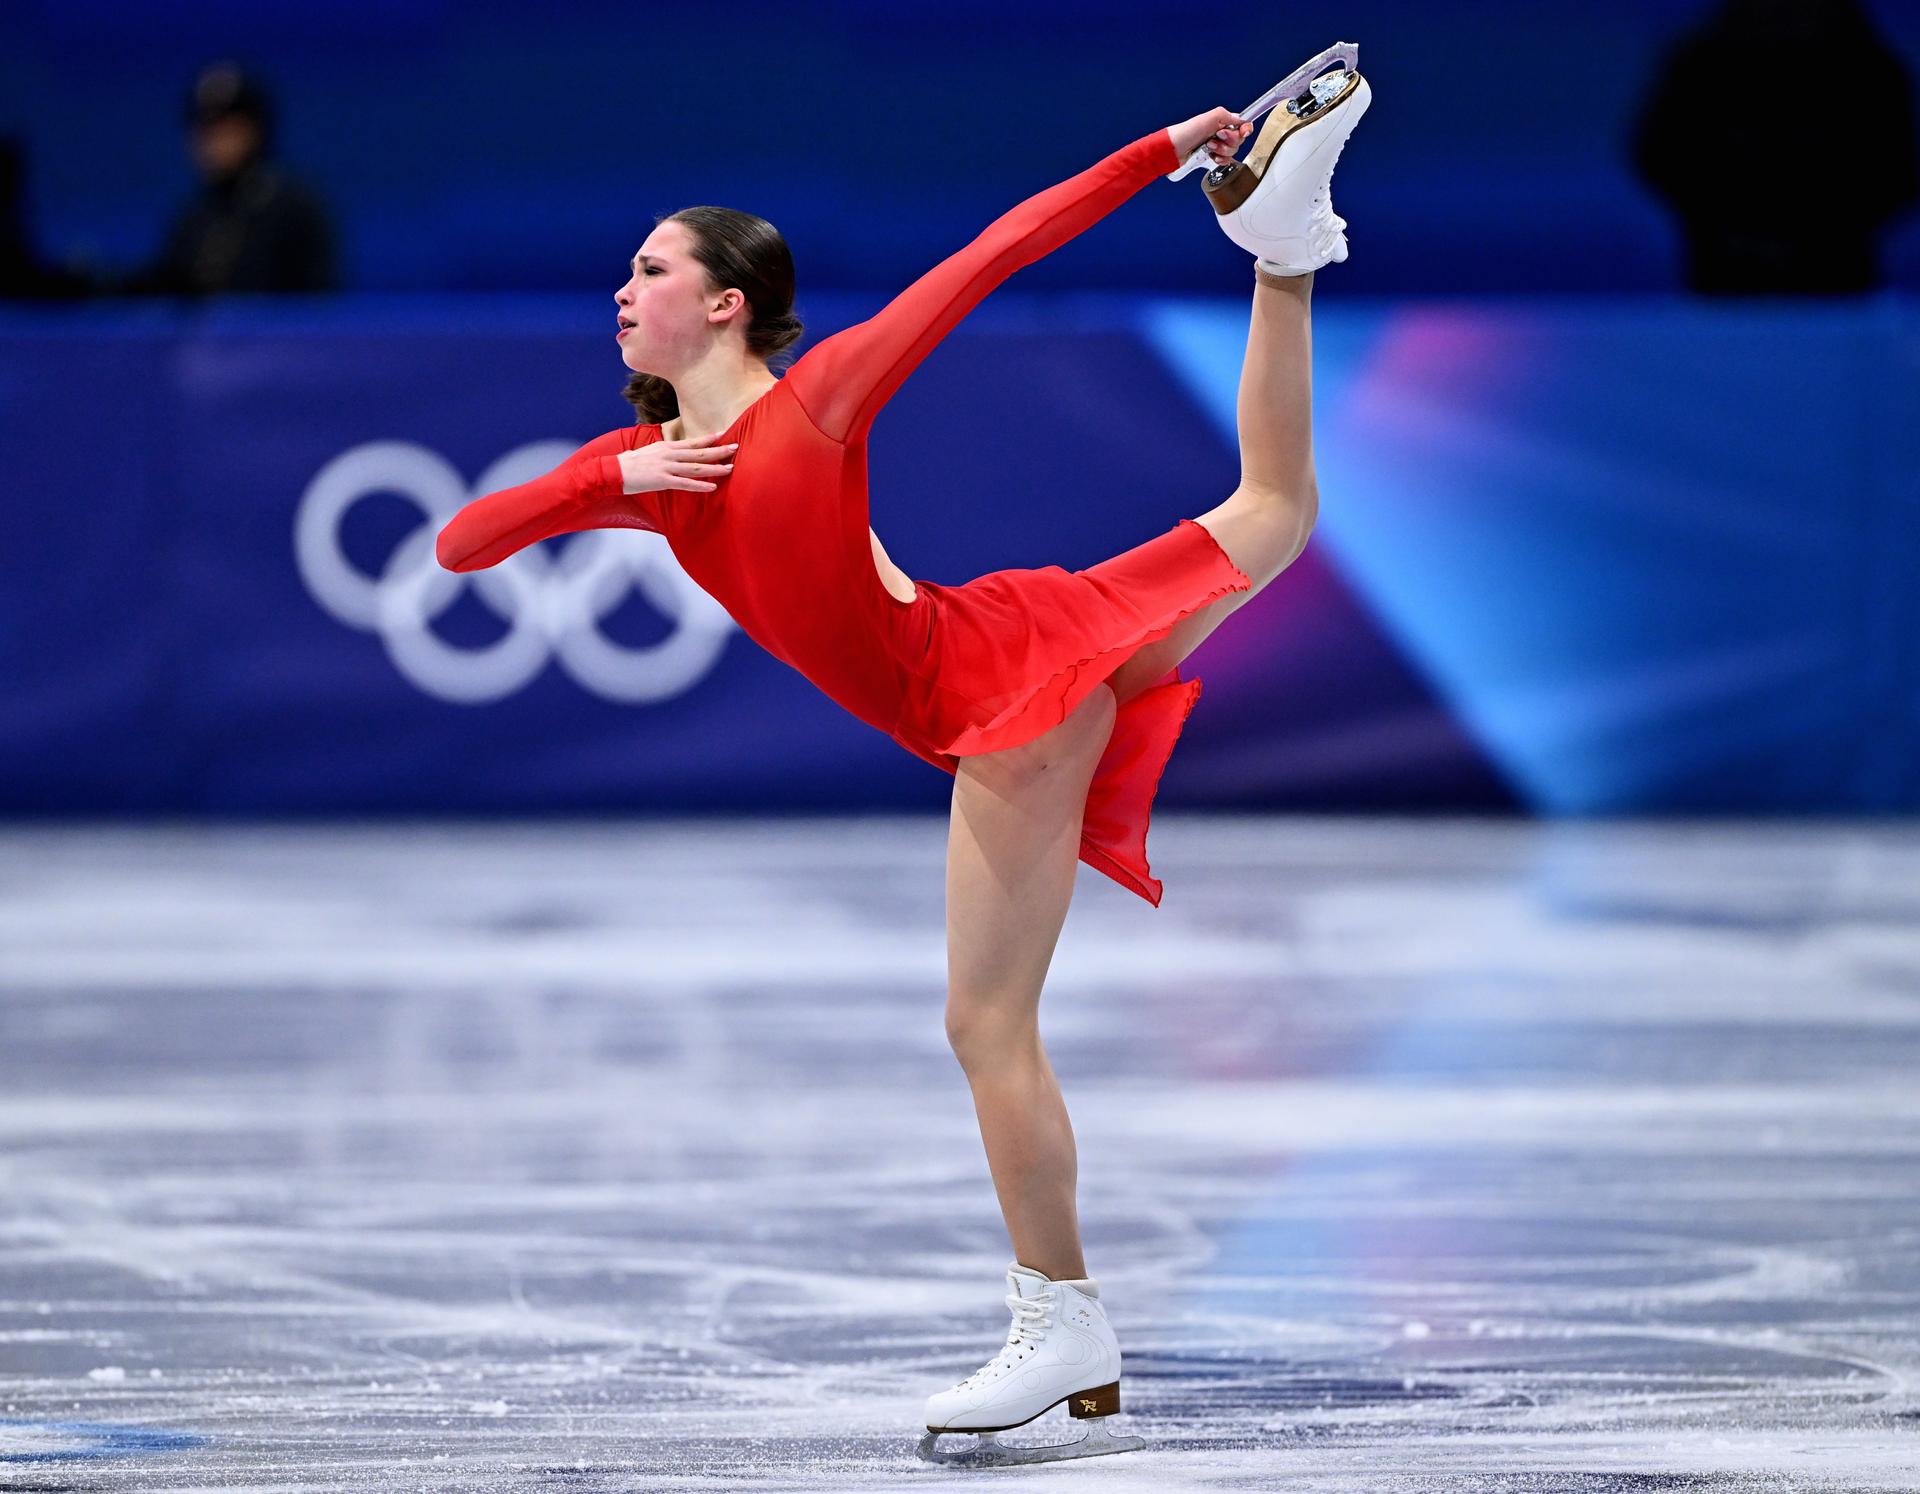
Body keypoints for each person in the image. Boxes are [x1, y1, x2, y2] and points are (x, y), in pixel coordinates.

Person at [436, 43, 1369, 1466]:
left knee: (984, 1026)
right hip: (1004, 648)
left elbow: (996, 250)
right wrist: (614, 473)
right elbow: (460, 544)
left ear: (726, 303)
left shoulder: (815, 400)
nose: (621, 290)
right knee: (1273, 512)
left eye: (651, 269)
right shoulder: (662, 484)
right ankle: (1284, 251)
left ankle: (1063, 1326)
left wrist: (1159, 148)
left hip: (1001, 695)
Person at [112, 60, 338, 296]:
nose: (213, 142)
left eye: (225, 127)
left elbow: (315, 303)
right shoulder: (195, 217)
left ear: (256, 129)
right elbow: (169, 285)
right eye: (203, 129)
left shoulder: (295, 210)